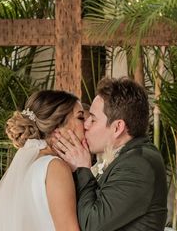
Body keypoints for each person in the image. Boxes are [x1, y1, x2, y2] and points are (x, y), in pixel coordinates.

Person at [55, 77, 168, 230]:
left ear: (117, 127)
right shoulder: (128, 156)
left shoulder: (138, 165)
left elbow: (91, 225)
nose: (86, 125)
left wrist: (82, 169)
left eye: (93, 120)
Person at [0, 89, 84, 231]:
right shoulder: (55, 167)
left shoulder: (31, 166)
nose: (86, 124)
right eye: (80, 118)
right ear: (58, 127)